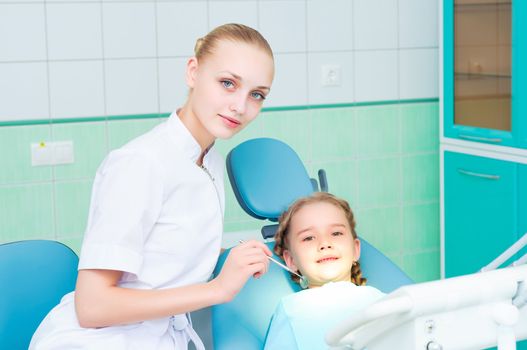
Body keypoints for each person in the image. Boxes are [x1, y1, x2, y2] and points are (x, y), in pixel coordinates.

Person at [29, 23, 275, 350]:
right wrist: (218, 289)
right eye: (227, 83)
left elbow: (167, 250)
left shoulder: (208, 161)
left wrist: (239, 257)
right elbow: (92, 307)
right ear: (193, 72)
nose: (240, 106)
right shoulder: (141, 162)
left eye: (256, 94)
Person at [263, 192, 385, 349]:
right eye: (309, 237)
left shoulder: (380, 300)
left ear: (355, 250)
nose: (325, 243)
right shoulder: (292, 309)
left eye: (336, 233)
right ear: (291, 260)